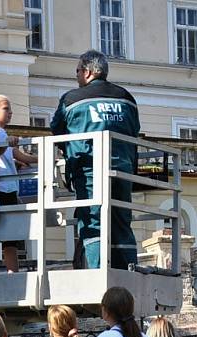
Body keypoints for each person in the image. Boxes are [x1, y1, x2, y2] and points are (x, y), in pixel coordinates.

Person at [50, 50, 140, 270]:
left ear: (88, 72)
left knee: (93, 223)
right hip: (122, 170)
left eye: (78, 71)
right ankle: (127, 270)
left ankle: (97, 270)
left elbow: (57, 130)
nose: (77, 75)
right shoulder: (127, 98)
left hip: (90, 171)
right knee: (121, 221)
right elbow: (134, 131)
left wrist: (68, 153)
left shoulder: (72, 99)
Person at [0, 94, 37, 274]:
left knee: (11, 236)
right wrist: (6, 143)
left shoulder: (2, 131)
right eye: (6, 108)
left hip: (9, 189)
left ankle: (13, 274)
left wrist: (39, 159)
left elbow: (15, 154)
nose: (10, 112)